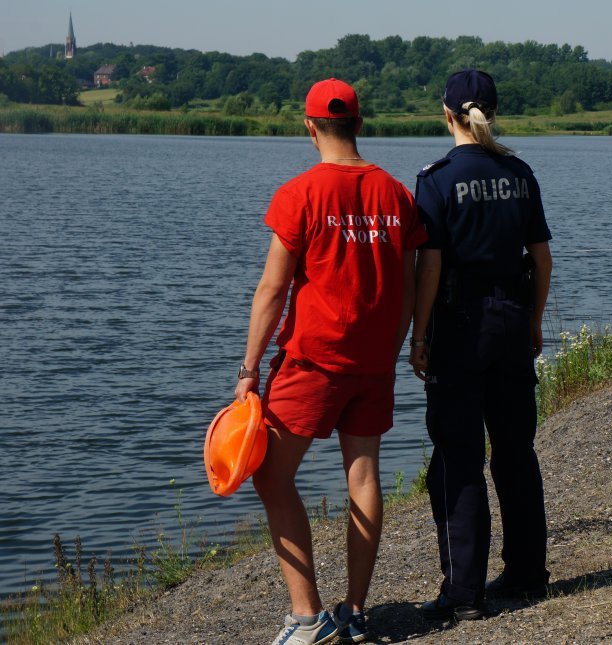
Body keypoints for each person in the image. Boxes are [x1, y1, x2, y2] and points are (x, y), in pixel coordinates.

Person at [234, 78, 426, 644]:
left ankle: (307, 617)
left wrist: (248, 369)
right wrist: (393, 348)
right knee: (362, 475)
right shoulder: (396, 194)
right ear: (359, 125)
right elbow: (408, 287)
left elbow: (272, 290)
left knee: (271, 476)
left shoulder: (299, 193)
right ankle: (355, 612)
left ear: (310, 127)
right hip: (373, 363)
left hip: (313, 362)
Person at [408, 69, 554, 621]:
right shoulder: (520, 173)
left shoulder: (437, 179)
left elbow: (429, 267)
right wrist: (533, 321)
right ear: (493, 113)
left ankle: (463, 593)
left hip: (459, 328)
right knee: (516, 451)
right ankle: (527, 574)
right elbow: (541, 259)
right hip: (512, 320)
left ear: (447, 115)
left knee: (458, 457)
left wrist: (419, 335)